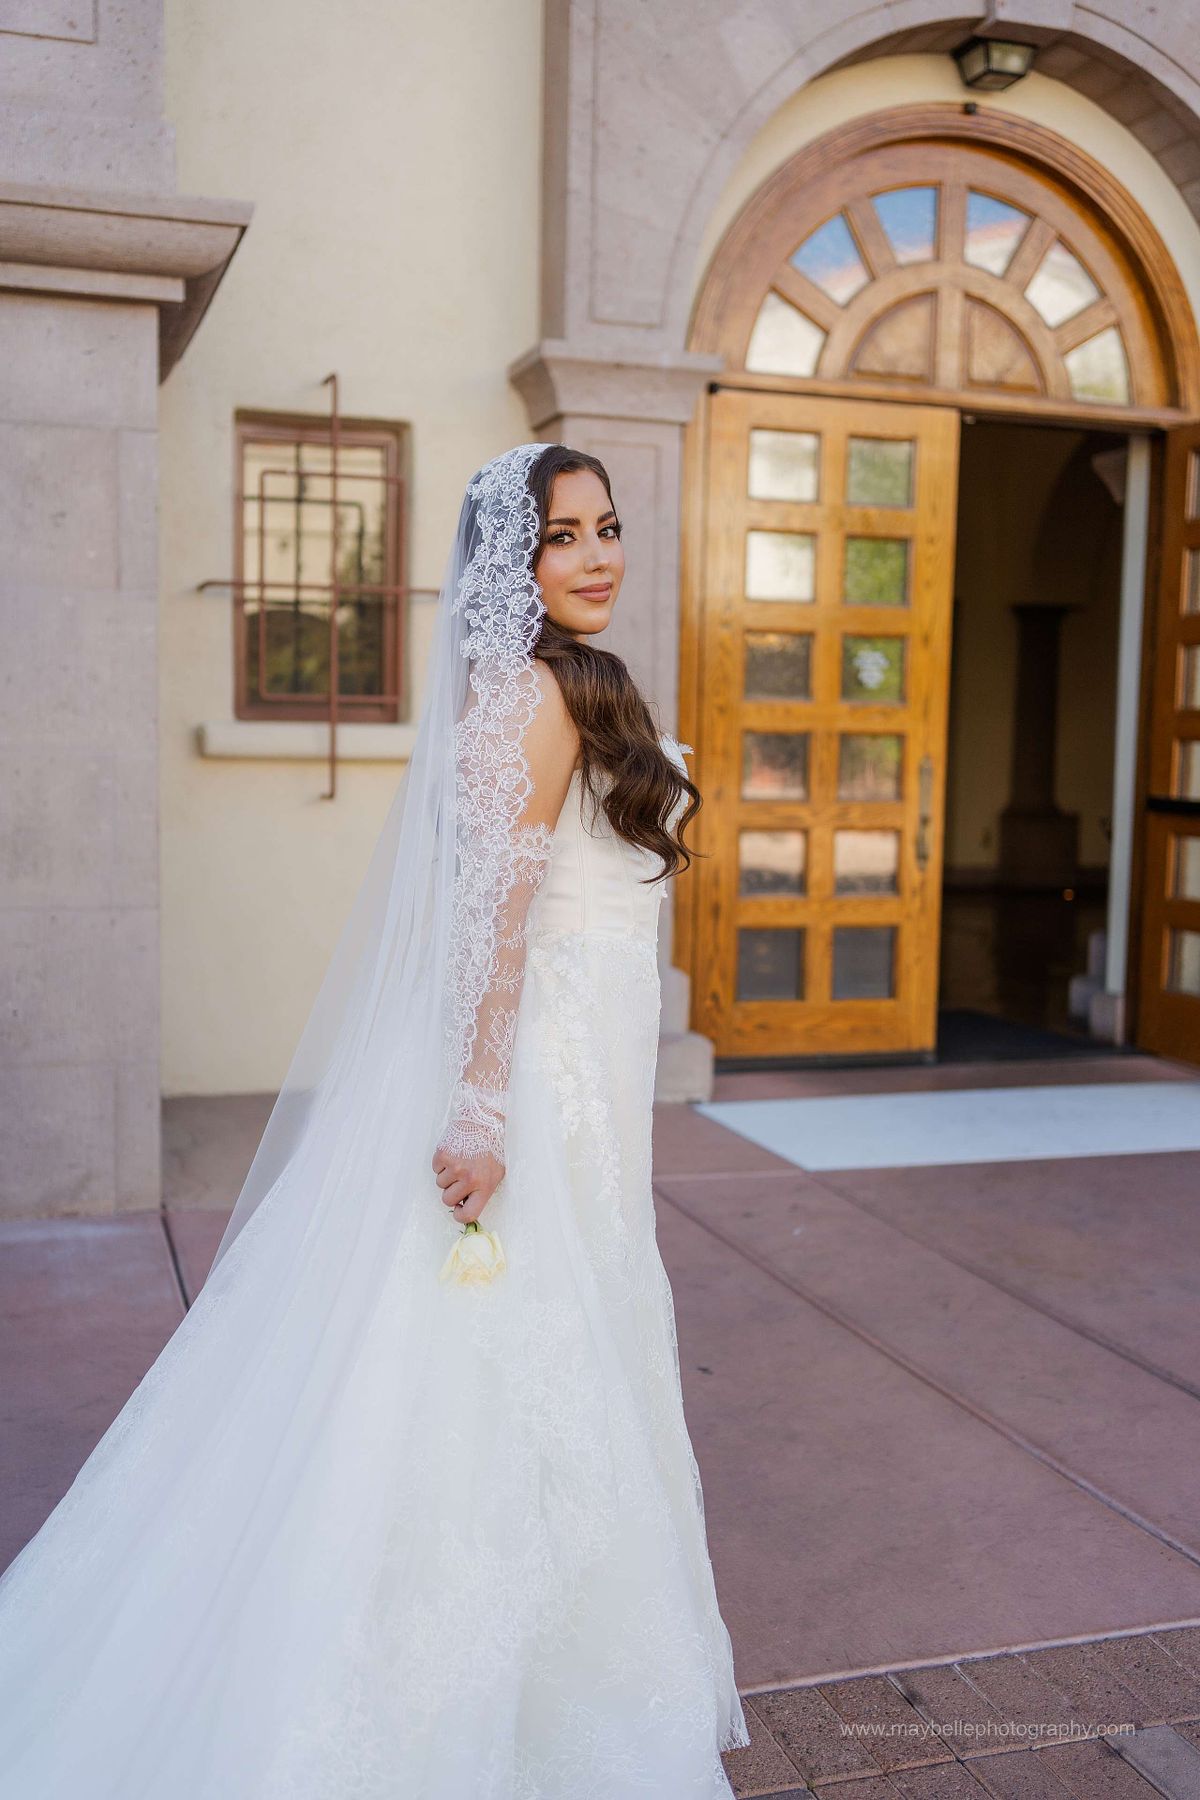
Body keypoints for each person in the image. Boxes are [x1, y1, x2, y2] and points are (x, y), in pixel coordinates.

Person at [0, 441, 749, 1798]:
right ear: (507, 571)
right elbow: (491, 922)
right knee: (488, 1357)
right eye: (560, 537)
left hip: (588, 1073)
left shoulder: (584, 685)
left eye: (607, 527)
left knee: (573, 1338)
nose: (595, 554)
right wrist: (477, 1103)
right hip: (528, 1071)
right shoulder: (521, 697)